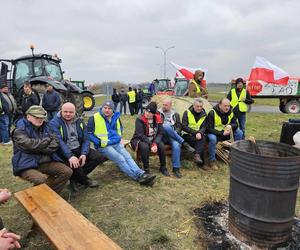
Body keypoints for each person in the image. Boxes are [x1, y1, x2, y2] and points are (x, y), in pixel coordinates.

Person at [88, 100, 156, 186]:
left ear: (113, 110)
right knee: (120, 158)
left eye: (109, 108)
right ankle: (138, 177)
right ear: (102, 108)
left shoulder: (116, 117)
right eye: (105, 108)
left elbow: (119, 131)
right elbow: (89, 134)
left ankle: (141, 174)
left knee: (127, 156)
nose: (107, 110)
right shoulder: (93, 118)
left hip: (115, 143)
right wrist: (99, 142)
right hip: (103, 146)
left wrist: (115, 140)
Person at [12, 105, 72, 194]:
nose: (40, 119)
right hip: (26, 164)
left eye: (42, 117)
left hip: (45, 161)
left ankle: (52, 195)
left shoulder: (47, 126)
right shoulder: (19, 130)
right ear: (28, 116)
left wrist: (38, 147)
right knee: (41, 179)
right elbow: (29, 145)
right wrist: (47, 140)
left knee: (67, 171)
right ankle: (38, 198)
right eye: (36, 117)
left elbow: (55, 143)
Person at [50, 102, 104, 192]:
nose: (68, 114)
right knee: (74, 164)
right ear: (61, 111)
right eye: (65, 111)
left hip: (78, 148)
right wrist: (70, 156)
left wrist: (84, 153)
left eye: (71, 112)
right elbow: (59, 142)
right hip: (63, 151)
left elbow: (86, 139)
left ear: (75, 112)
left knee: (98, 157)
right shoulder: (54, 123)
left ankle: (74, 178)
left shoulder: (80, 121)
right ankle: (85, 181)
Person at [158, 99, 195, 178]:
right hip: (162, 135)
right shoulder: (158, 113)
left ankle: (176, 168)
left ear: (171, 106)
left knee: (176, 145)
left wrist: (175, 132)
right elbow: (157, 126)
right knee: (166, 126)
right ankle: (184, 142)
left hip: (173, 135)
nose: (164, 106)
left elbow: (179, 126)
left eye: (166, 105)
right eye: (163, 104)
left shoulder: (176, 114)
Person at [131, 102, 169, 176]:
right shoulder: (139, 119)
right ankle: (146, 169)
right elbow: (140, 135)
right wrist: (152, 144)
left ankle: (163, 167)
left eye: (150, 112)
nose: (147, 113)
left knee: (161, 145)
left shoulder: (158, 118)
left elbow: (161, 133)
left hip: (153, 138)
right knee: (145, 147)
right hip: (140, 139)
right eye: (146, 111)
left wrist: (154, 143)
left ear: (154, 114)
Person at [206, 98, 243, 169]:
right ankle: (212, 160)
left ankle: (234, 155)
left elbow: (236, 124)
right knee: (212, 138)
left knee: (239, 133)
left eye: (228, 106)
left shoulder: (231, 112)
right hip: (215, 134)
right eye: (225, 106)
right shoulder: (212, 113)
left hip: (226, 134)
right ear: (220, 105)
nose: (227, 108)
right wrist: (222, 133)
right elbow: (209, 129)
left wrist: (230, 125)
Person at [182, 99, 209, 170]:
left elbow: (204, 127)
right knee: (201, 142)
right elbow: (184, 126)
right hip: (187, 134)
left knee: (202, 139)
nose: (199, 108)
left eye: (201, 106)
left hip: (198, 135)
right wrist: (196, 133)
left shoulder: (204, 114)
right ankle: (202, 164)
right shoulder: (187, 112)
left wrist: (200, 133)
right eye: (197, 106)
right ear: (193, 106)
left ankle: (197, 156)